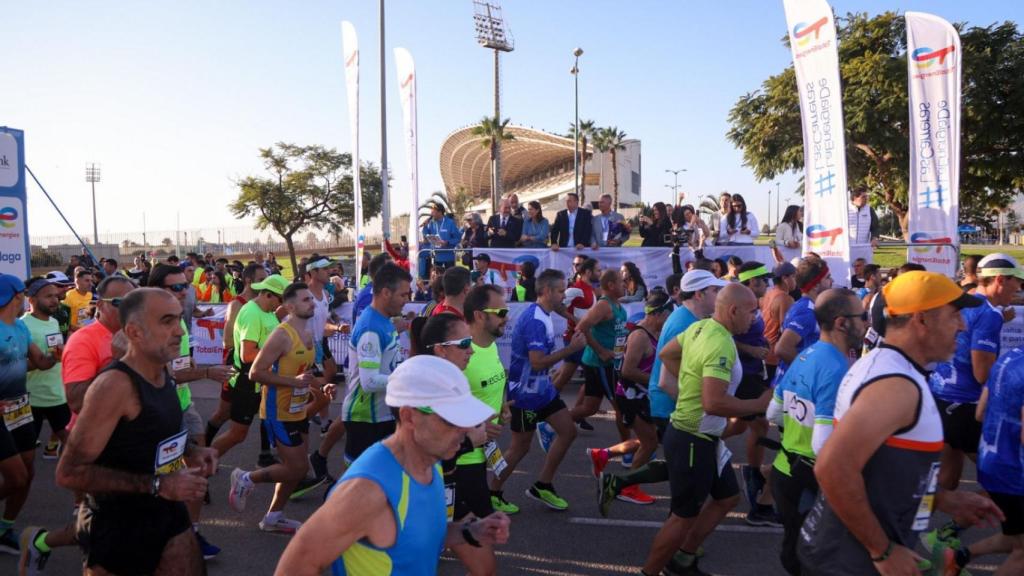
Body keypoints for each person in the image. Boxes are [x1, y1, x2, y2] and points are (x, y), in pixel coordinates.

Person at [798, 272, 1003, 575]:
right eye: (954, 315)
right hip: (850, 562)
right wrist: (882, 552)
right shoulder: (896, 386)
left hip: (847, 553)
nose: (961, 325)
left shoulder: (884, 364)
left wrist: (945, 500)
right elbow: (832, 467)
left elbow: (883, 473)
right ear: (921, 320)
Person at [273, 355, 509, 576]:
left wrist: (470, 532)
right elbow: (294, 567)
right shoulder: (367, 490)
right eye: (451, 420)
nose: (466, 430)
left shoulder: (431, 462)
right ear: (409, 417)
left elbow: (416, 536)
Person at [54, 288, 218, 575]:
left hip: (166, 509)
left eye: (179, 319)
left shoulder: (161, 371)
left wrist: (193, 450)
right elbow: (69, 473)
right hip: (119, 525)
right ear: (134, 332)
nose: (180, 331)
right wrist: (158, 485)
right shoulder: (114, 387)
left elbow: (155, 432)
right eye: (167, 321)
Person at [642, 283, 769, 576]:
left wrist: (691, 383)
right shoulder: (720, 343)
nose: (755, 318)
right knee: (682, 517)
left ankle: (682, 560)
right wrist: (757, 403)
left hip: (700, 436)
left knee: (727, 497)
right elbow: (714, 403)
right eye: (752, 311)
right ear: (734, 310)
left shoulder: (701, 328)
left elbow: (668, 355)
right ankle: (648, 572)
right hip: (691, 438)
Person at [598, 269, 726, 516]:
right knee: (682, 467)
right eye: (714, 290)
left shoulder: (690, 319)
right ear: (699, 294)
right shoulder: (683, 324)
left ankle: (621, 484)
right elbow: (665, 378)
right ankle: (675, 528)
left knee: (682, 463)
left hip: (667, 402)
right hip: (668, 405)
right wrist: (699, 405)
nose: (719, 295)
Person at [765, 288, 865, 575]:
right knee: (817, 559)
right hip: (810, 481)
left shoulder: (805, 355)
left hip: (785, 471)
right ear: (841, 322)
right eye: (862, 317)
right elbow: (823, 445)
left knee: (795, 550)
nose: (866, 323)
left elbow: (773, 412)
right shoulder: (836, 368)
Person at [229, 282, 328, 533]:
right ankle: (245, 478)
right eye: (306, 300)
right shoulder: (281, 335)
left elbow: (303, 373)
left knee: (295, 470)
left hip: (297, 408)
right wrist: (292, 383)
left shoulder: (307, 333)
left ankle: (273, 518)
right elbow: (255, 373)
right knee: (297, 467)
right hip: (277, 411)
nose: (312, 303)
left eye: (311, 299)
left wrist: (320, 387)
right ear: (290, 307)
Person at [489, 269, 587, 512]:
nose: (564, 296)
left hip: (542, 390)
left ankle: (543, 485)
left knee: (568, 431)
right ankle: (492, 492)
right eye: (561, 291)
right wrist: (570, 350)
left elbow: (541, 363)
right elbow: (536, 362)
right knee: (520, 447)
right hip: (524, 395)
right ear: (546, 292)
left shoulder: (545, 313)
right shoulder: (535, 321)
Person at [930, 254, 1023, 501]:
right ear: (1000, 280)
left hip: (941, 398)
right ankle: (945, 531)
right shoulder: (990, 314)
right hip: (964, 408)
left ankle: (914, 523)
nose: (1019, 289)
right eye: (1018, 282)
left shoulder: (970, 302)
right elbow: (983, 374)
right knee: (1006, 480)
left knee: (947, 480)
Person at [587, 291, 671, 506]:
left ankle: (603, 455)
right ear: (659, 314)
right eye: (669, 314)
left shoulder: (653, 331)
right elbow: (627, 371)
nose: (671, 319)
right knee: (650, 442)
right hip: (631, 397)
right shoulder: (640, 336)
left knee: (649, 438)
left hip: (643, 395)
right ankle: (627, 486)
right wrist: (656, 381)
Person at [0, 276, 58, 554]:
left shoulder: (21, 329)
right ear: (16, 296)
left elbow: (41, 364)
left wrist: (57, 356)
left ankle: (4, 528)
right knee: (16, 478)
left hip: (21, 408)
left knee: (28, 474)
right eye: (21, 294)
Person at [210, 274, 287, 460]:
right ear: (268, 294)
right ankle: (201, 463)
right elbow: (247, 354)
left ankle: (265, 456)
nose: (282, 304)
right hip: (247, 380)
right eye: (281, 299)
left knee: (247, 428)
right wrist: (277, 352)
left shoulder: (267, 311)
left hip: (259, 379)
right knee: (237, 434)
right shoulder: (252, 313)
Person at [341, 263, 413, 464]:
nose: (407, 301)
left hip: (382, 415)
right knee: (357, 488)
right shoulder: (371, 327)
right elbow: (370, 381)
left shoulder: (383, 320)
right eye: (403, 295)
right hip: (366, 419)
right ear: (385, 293)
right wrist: (407, 380)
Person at [964, 347, 1024, 574]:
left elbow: (980, 413)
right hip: (1013, 473)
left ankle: (960, 556)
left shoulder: (1009, 356)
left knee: (1016, 539)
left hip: (990, 461)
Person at [732, 262, 780, 527]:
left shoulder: (757, 304)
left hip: (755, 371)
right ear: (751, 284)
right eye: (762, 280)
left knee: (740, 425)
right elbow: (721, 334)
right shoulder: (739, 306)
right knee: (760, 425)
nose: (767, 284)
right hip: (745, 374)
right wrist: (750, 351)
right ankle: (754, 473)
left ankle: (705, 436)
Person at [205, 263, 267, 449]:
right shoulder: (237, 304)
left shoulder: (264, 304)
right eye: (260, 280)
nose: (265, 284)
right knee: (223, 413)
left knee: (266, 408)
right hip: (236, 367)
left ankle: (265, 454)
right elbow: (228, 342)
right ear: (248, 281)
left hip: (257, 366)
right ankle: (204, 450)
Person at [569, 269, 628, 433]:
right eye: (621, 281)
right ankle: (627, 453)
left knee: (590, 407)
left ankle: (549, 424)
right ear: (611, 285)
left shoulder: (617, 303)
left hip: (610, 362)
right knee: (620, 406)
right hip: (601, 363)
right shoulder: (603, 305)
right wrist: (601, 350)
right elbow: (581, 327)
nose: (625, 284)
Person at [22, 278, 70, 460]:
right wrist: (47, 360)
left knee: (73, 446)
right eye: (48, 296)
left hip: (57, 395)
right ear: (32, 299)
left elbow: (55, 353)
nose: (55, 300)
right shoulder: (22, 325)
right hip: (32, 398)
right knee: (25, 456)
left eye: (56, 296)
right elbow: (18, 364)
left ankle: (80, 486)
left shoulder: (53, 322)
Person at [773, 257, 832, 386]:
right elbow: (782, 348)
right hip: (792, 389)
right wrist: (811, 372)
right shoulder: (807, 311)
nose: (832, 281)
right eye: (828, 278)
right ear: (816, 285)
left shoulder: (804, 305)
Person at [763, 262, 796, 384]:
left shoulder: (769, 293)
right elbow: (786, 331)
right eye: (794, 276)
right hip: (775, 357)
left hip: (765, 352)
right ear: (785, 278)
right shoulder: (785, 299)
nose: (795, 281)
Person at [420, 201, 461, 278]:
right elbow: (426, 236)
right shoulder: (431, 223)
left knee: (449, 278)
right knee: (437, 279)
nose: (431, 214)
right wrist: (425, 226)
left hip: (449, 257)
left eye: (433, 212)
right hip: (437, 257)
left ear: (440, 212)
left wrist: (447, 242)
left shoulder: (450, 222)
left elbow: (458, 238)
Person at [353, 252, 393, 323]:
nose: (395, 272)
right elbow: (365, 329)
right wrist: (395, 329)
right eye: (391, 269)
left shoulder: (381, 293)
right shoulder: (369, 296)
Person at [65, 268, 94, 332]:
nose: (90, 284)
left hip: (89, 330)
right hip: (74, 333)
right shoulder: (68, 296)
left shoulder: (90, 295)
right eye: (87, 281)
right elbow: (64, 321)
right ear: (77, 281)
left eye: (91, 281)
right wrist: (80, 330)